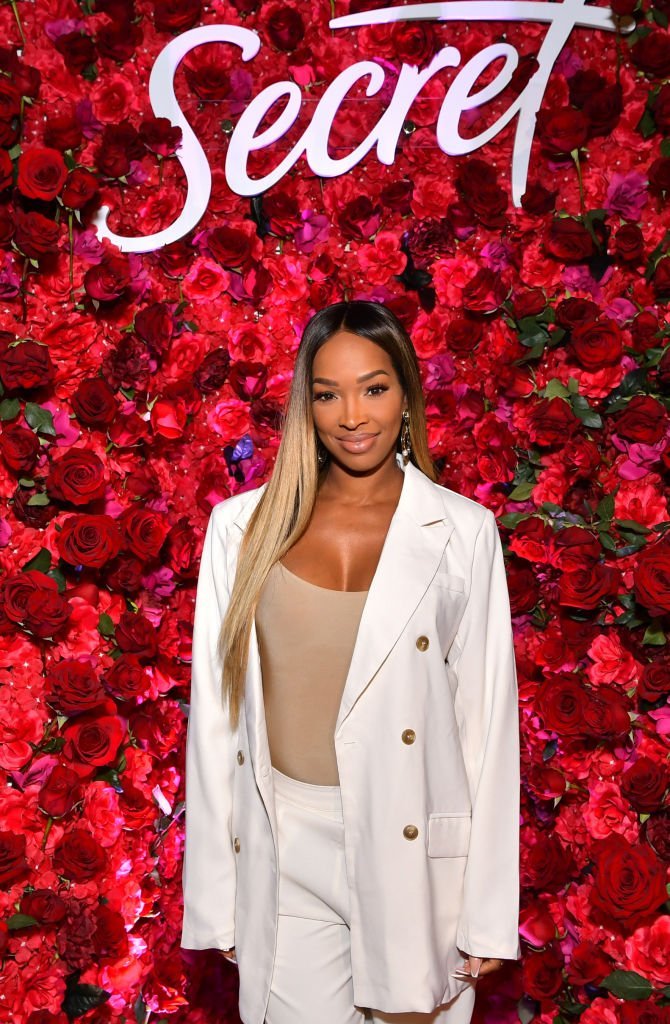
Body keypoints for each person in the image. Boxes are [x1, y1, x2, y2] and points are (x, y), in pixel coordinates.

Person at [180, 300, 521, 1024]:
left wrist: (490, 911)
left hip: (412, 844)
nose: (352, 415)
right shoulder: (241, 529)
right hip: (283, 842)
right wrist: (216, 896)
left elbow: (486, 728)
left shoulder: (463, 532)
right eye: (328, 393)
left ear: (406, 398)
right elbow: (216, 720)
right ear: (307, 404)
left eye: (374, 388)